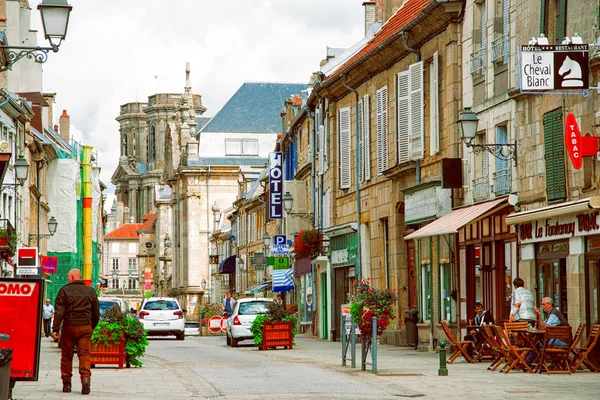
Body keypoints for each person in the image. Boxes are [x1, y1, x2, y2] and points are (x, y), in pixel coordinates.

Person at [52, 269, 100, 395]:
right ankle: (85, 379)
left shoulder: (64, 291)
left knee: (67, 356)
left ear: (73, 277)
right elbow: (96, 313)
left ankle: (66, 383)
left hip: (69, 327)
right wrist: (92, 325)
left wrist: (55, 329)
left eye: (68, 276)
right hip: (85, 327)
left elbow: (59, 312)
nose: (67, 278)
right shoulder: (91, 291)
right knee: (84, 354)